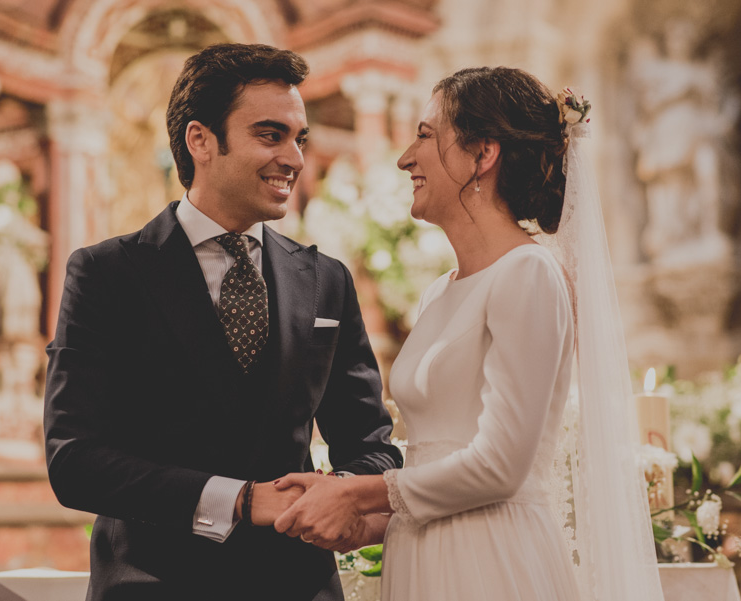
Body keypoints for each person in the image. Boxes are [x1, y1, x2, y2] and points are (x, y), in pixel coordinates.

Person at [272, 67, 666, 601]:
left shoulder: (528, 274)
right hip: (423, 551)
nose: (405, 157)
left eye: (426, 135)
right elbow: (439, 462)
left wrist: (359, 493)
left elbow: (501, 466)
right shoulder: (439, 292)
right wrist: (370, 523)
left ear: (483, 155)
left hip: (492, 561)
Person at [43, 43, 402, 601]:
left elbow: (372, 444)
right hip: (153, 585)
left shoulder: (327, 280)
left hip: (299, 587)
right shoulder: (106, 273)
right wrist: (237, 499)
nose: (295, 157)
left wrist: (339, 494)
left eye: (298, 138)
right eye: (270, 135)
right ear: (200, 140)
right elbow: (75, 461)